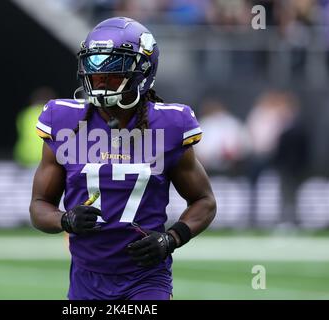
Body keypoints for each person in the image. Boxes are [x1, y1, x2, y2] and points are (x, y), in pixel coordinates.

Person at [30, 17, 216, 300]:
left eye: (113, 76)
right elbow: (39, 206)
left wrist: (171, 238)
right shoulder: (64, 120)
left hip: (146, 278)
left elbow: (204, 201)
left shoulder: (169, 125)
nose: (100, 83)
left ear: (143, 73)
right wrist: (65, 220)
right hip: (86, 278)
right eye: (94, 73)